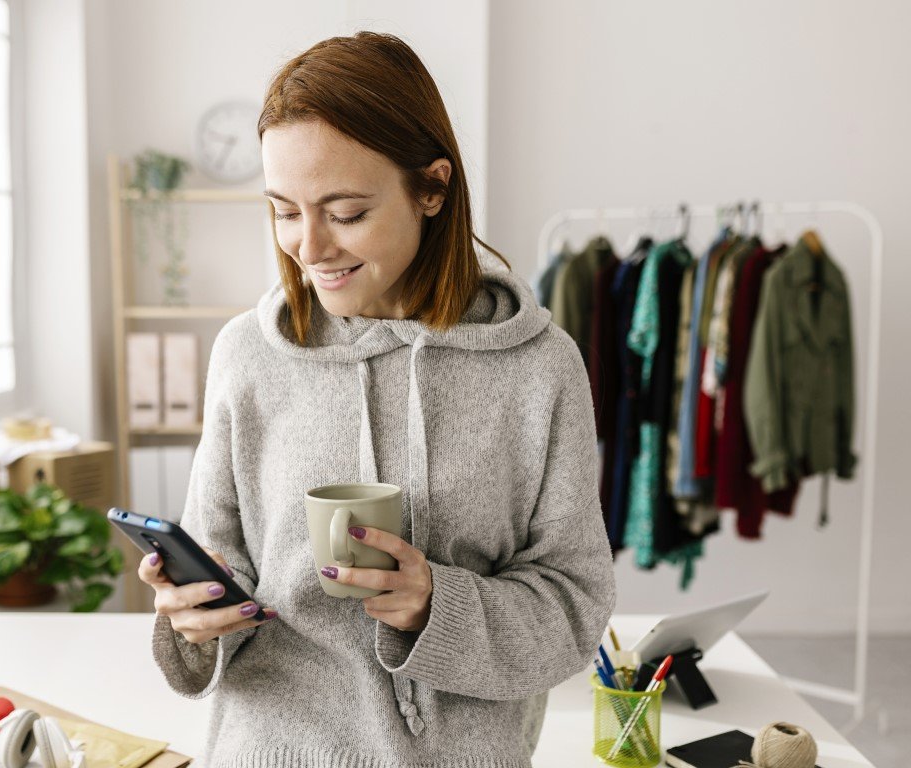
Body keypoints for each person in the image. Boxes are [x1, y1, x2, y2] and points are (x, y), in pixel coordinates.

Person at [137, 31, 615, 767]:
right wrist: (192, 614)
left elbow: (574, 607)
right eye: (284, 210)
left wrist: (436, 605)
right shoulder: (248, 354)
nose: (309, 246)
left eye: (346, 211)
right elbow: (219, 566)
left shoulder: (540, 369)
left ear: (432, 188)